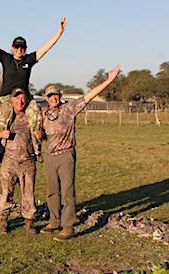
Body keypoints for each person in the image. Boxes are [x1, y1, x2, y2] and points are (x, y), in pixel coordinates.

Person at [40, 64, 121, 241]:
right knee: (52, 191)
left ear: (60, 96)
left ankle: (68, 226)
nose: (53, 98)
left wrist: (108, 80)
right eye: (50, 95)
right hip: (49, 157)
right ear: (46, 98)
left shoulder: (69, 109)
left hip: (66, 155)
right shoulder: (43, 113)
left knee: (67, 191)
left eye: (56, 95)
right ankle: (54, 221)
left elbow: (89, 96)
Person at [0, 11, 66, 162]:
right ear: (12, 47)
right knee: (3, 120)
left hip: (24, 97)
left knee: (35, 115)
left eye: (22, 47)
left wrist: (60, 31)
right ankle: (2, 148)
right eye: (17, 47)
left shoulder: (29, 60)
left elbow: (46, 48)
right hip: (7, 97)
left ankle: (36, 151)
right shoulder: (5, 58)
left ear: (25, 48)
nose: (19, 50)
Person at [0, 88, 41, 234]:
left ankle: (29, 222)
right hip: (9, 160)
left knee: (28, 193)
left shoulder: (31, 116)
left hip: (28, 161)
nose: (20, 101)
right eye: (17, 98)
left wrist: (40, 135)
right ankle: (3, 221)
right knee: (6, 192)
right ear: (12, 100)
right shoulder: (6, 116)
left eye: (22, 99)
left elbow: (41, 132)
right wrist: (0, 134)